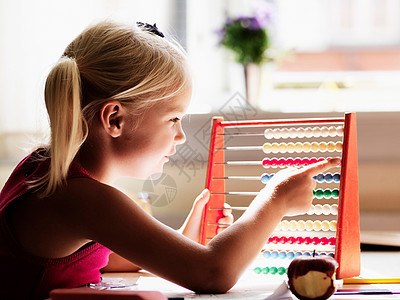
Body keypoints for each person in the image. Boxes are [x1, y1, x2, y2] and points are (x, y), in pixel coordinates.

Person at [0, 20, 340, 299]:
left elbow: (105, 258)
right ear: (114, 119)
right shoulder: (82, 198)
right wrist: (276, 199)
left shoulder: (45, 170)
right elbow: (213, 273)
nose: (180, 136)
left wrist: (181, 240)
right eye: (173, 119)